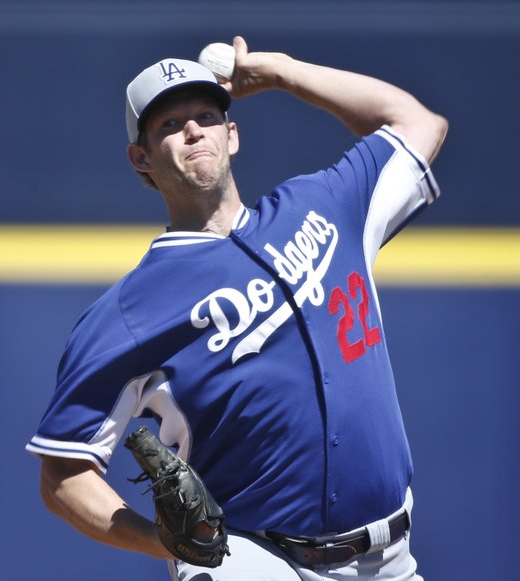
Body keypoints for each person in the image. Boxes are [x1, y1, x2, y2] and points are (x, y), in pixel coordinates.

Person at [27, 35, 448, 580]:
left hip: (389, 558)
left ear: (232, 134)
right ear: (142, 158)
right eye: (170, 124)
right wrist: (161, 541)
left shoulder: (324, 206)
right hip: (253, 556)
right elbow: (62, 471)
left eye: (205, 115)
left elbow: (418, 124)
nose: (193, 129)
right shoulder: (130, 310)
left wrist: (283, 72)